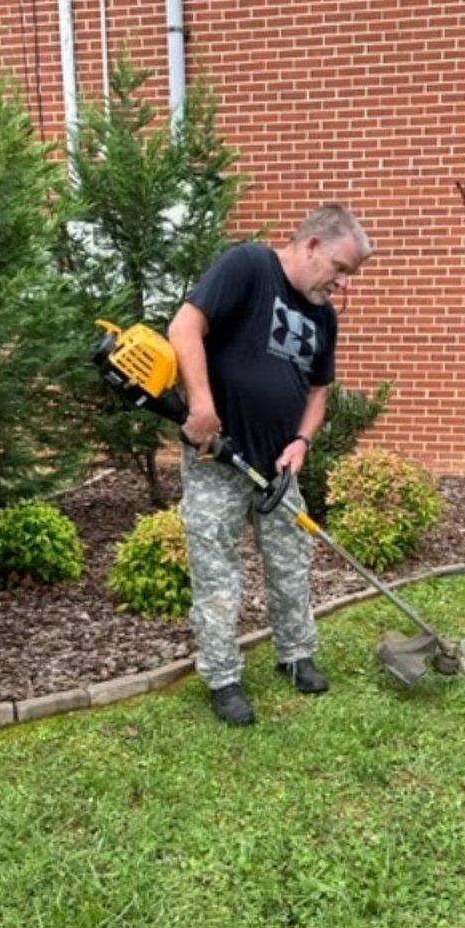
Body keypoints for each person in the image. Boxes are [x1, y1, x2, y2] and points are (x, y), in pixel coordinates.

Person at [167, 204, 373, 726]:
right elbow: (184, 327)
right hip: (219, 460)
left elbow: (319, 391)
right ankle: (223, 677)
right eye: (341, 269)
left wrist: (301, 442)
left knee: (291, 563)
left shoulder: (322, 315)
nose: (343, 284)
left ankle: (296, 654)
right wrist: (202, 406)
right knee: (217, 576)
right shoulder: (249, 267)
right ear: (311, 246)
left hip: (278, 471)